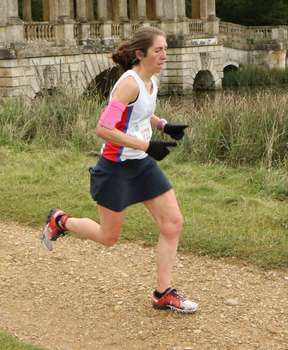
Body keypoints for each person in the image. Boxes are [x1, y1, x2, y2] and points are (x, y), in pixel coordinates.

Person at [41, 26, 198, 314]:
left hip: (142, 165)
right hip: (116, 167)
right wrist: (148, 145)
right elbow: (103, 128)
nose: (165, 55)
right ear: (141, 54)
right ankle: (60, 220)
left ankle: (163, 294)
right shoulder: (129, 83)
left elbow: (140, 112)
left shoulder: (151, 81)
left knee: (172, 223)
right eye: (158, 50)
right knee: (108, 238)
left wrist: (163, 125)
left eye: (165, 49)